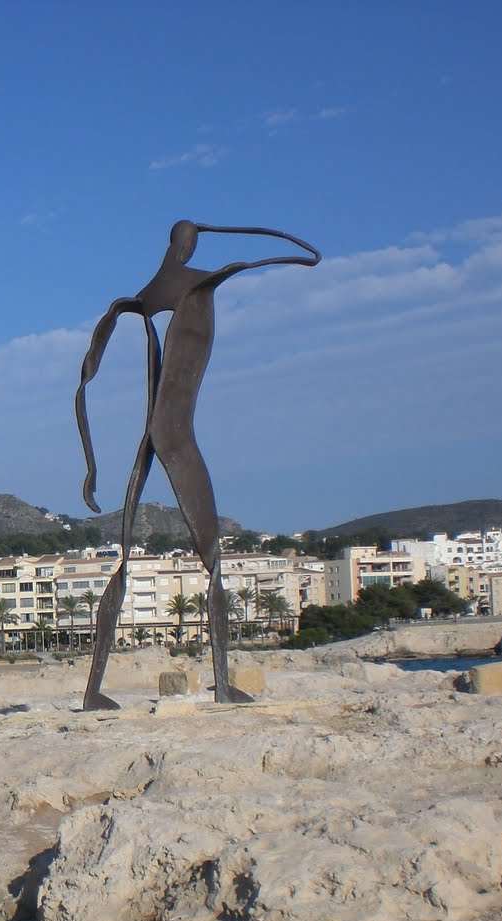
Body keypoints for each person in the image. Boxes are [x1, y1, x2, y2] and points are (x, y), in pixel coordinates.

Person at [75, 221, 320, 711]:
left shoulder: (139, 298)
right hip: (177, 436)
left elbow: (84, 381)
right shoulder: (202, 280)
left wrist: (91, 467)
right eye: (195, 241)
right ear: (189, 245)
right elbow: (305, 253)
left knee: (124, 561)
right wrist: (243, 245)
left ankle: (93, 691)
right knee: (213, 561)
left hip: (149, 433)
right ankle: (223, 685)